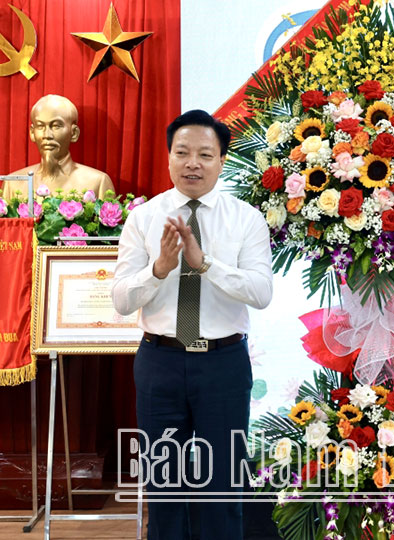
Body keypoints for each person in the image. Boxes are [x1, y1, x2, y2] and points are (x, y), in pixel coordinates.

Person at [111, 109, 273, 540]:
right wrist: (159, 270)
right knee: (164, 486)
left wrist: (205, 264)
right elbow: (121, 300)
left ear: (222, 160)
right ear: (168, 157)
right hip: (160, 361)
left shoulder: (246, 218)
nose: (192, 164)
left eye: (205, 154)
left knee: (223, 487)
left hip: (223, 363)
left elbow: (261, 293)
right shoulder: (143, 218)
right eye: (182, 153)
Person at [2, 94, 114, 201]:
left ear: (74, 133)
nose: (47, 135)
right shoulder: (12, 184)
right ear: (32, 133)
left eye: (56, 126)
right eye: (40, 126)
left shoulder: (98, 182)